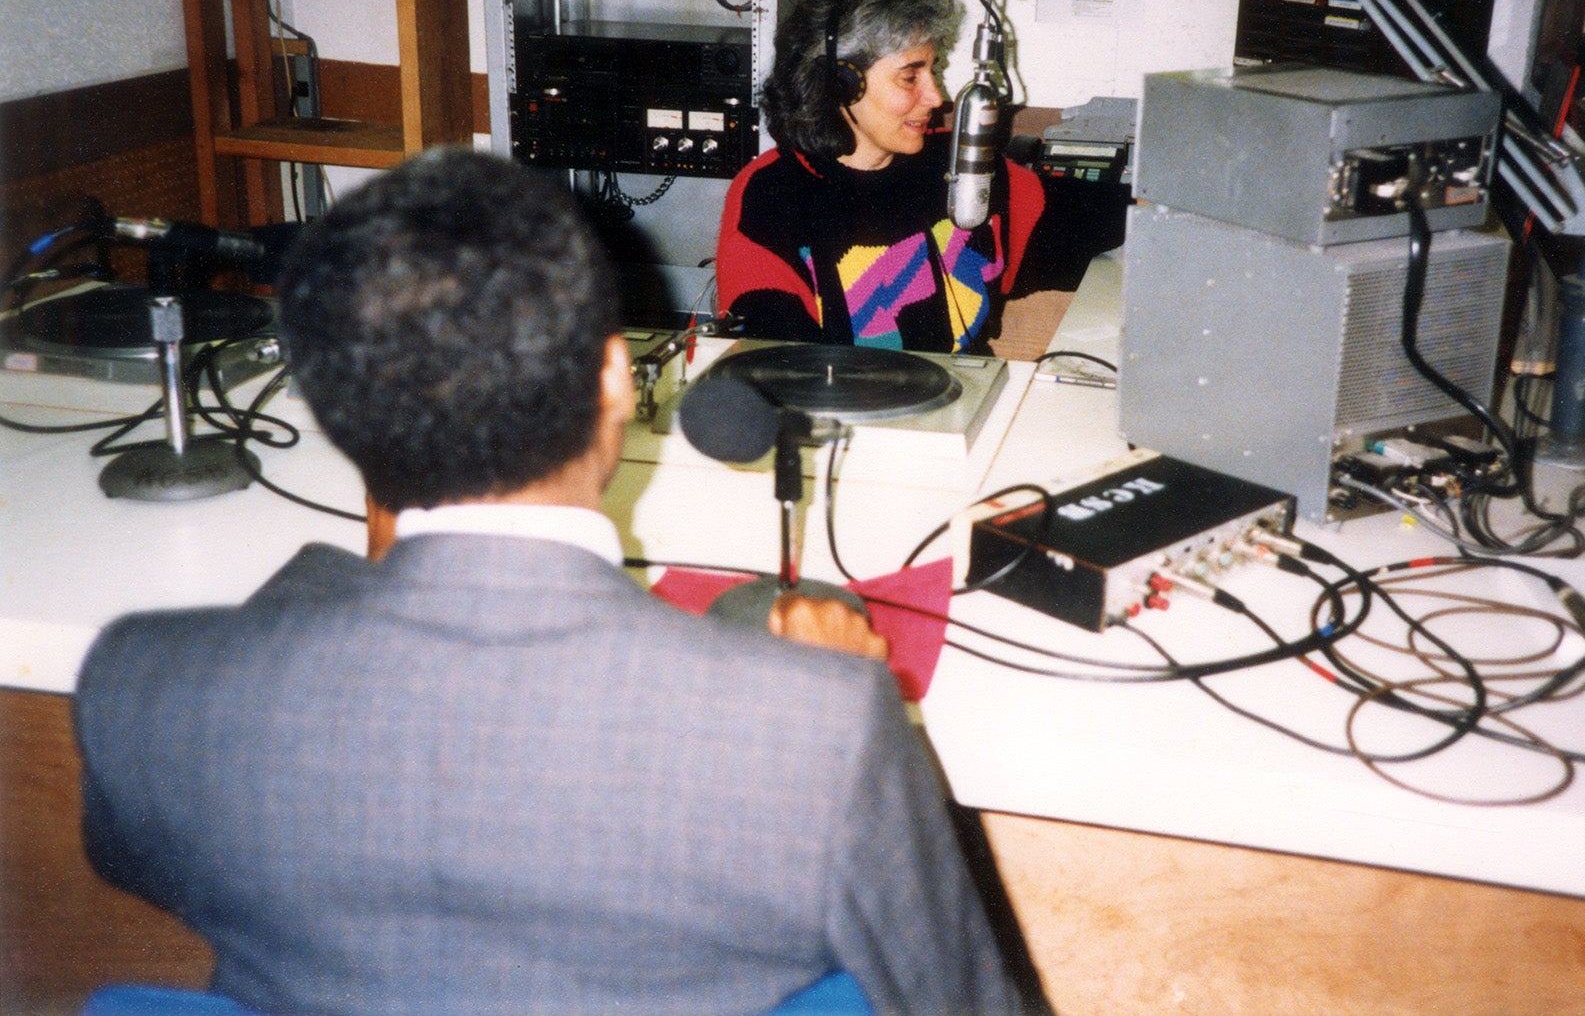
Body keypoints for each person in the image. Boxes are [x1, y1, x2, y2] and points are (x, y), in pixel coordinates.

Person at [74, 148, 1026, 1015]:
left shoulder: (141, 683)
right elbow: (962, 1003)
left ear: (328, 406)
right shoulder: (823, 725)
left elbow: (147, 864)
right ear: (616, 382)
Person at [716, 0, 1045, 354]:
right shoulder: (770, 195)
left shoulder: (955, 162)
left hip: (962, 398)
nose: (936, 98)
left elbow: (1083, 220)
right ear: (841, 84)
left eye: (933, 70)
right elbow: (778, 369)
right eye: (910, 78)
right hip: (845, 407)